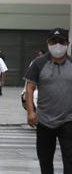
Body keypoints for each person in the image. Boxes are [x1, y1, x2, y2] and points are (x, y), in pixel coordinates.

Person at [25, 28, 72, 174]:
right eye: (54, 41)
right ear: (48, 43)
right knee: (45, 161)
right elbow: (29, 88)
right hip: (44, 120)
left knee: (70, 160)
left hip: (68, 120)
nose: (57, 45)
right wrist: (31, 112)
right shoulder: (38, 63)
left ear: (68, 43)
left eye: (61, 42)